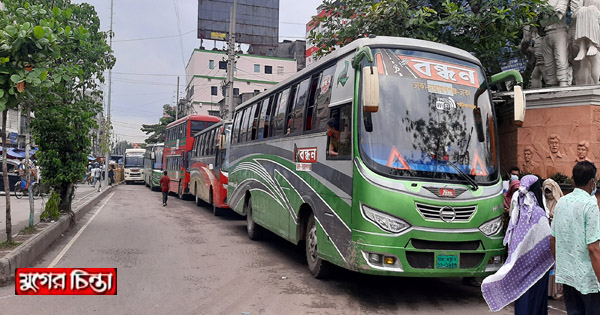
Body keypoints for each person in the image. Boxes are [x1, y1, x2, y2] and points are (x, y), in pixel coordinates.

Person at [482, 175, 554, 313]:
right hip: (537, 267)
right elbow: (547, 240)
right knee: (535, 302)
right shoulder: (538, 213)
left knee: (522, 299)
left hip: (519, 266)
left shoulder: (517, 211)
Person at [551, 161, 600, 314]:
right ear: (592, 182)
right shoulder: (590, 205)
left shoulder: (561, 203)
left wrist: (560, 264)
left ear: (573, 181)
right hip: (588, 278)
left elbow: (553, 239)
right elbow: (593, 248)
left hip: (567, 275)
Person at [543, 178, 564, 300]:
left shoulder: (560, 203)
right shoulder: (543, 202)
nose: (548, 193)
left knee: (556, 265)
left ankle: (556, 291)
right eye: (545, 190)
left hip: (557, 239)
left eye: (549, 190)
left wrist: (553, 217)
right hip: (546, 239)